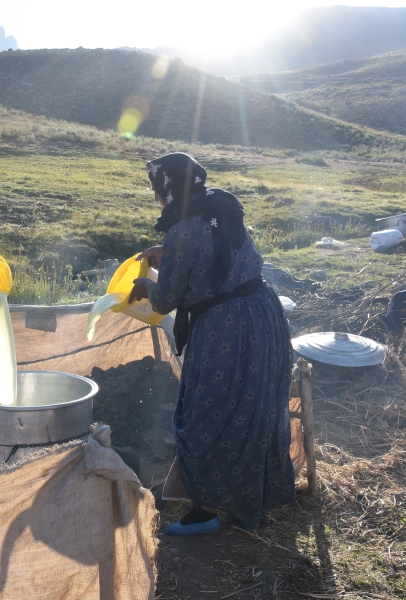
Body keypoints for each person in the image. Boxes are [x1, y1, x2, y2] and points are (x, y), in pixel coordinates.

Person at [128, 152, 295, 534]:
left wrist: (147, 283)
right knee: (255, 405)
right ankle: (257, 491)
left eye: (157, 189)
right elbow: (220, 254)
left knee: (208, 414)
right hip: (263, 315)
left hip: (225, 328)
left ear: (168, 188)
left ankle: (204, 511)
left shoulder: (181, 230)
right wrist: (168, 257)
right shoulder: (223, 206)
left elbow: (166, 298)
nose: (156, 196)